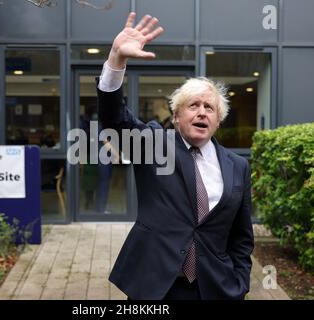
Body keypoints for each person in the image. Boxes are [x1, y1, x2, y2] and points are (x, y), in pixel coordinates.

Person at [97, 12, 254, 300]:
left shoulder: (238, 167)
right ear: (177, 116)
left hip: (214, 289)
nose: (202, 112)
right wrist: (117, 60)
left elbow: (242, 237)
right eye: (193, 105)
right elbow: (115, 120)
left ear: (218, 120)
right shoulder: (154, 144)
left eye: (210, 108)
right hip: (156, 287)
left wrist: (239, 283)